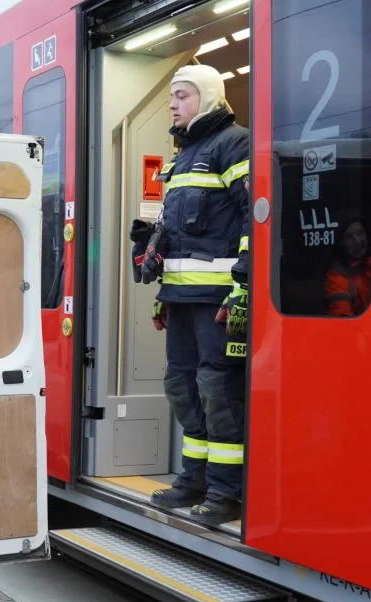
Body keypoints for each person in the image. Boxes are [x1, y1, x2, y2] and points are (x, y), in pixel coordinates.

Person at [134, 64, 251, 526]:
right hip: (182, 300)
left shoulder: (233, 144)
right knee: (181, 387)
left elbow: (254, 221)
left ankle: (226, 492)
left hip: (219, 301)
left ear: (206, 96)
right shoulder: (182, 157)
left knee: (217, 390)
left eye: (181, 95)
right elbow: (173, 231)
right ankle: (193, 479)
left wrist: (242, 286)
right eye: (171, 97)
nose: (172, 104)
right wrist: (162, 287)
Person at [325, 218, 371, 317]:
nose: (357, 241)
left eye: (360, 233)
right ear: (341, 243)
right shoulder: (336, 275)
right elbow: (343, 319)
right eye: (349, 237)